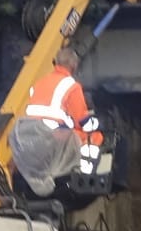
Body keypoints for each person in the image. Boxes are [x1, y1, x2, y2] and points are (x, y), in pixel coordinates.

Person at [22, 47, 104, 180]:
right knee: (94, 136)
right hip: (54, 135)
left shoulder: (39, 83)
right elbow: (82, 121)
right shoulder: (71, 86)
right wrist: (97, 123)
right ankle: (84, 174)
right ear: (74, 65)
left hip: (34, 134)